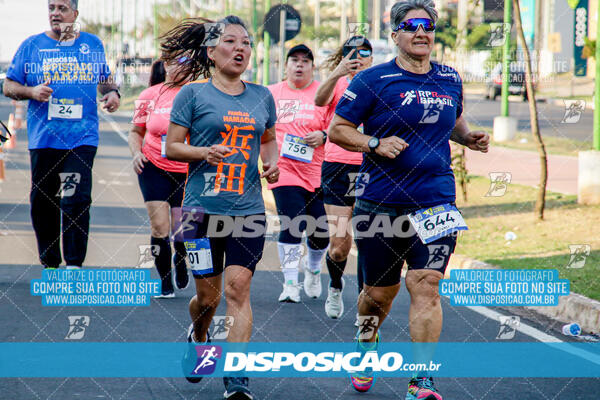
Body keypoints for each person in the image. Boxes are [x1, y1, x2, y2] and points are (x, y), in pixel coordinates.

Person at [329, 1, 490, 398]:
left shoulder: (450, 78)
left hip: (435, 200)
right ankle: (366, 345)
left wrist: (467, 137)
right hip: (381, 202)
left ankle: (422, 379)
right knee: (377, 296)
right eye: (411, 25)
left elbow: (451, 120)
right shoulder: (372, 81)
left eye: (428, 25)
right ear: (395, 34)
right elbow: (337, 129)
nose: (421, 32)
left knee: (427, 284)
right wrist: (374, 142)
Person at [163, 16, 279, 399]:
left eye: (245, 42)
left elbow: (268, 137)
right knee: (208, 298)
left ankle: (237, 377)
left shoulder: (262, 95)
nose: (240, 49)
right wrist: (203, 152)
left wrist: (271, 162)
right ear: (212, 52)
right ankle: (198, 337)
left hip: (247, 209)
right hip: (199, 211)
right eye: (230, 42)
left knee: (238, 289)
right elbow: (172, 147)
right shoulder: (192, 95)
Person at [3, 0, 120, 270]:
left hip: (82, 137)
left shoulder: (91, 44)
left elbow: (103, 79)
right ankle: (51, 261)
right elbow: (9, 85)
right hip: (44, 138)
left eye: (62, 8)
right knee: (44, 201)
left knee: (76, 196)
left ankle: (74, 264)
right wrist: (31, 92)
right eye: (51, 8)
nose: (55, 13)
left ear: (75, 14)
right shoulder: (32, 46)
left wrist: (112, 93)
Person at [314, 36, 373, 319]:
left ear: (372, 58)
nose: (358, 57)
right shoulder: (337, 84)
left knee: (367, 240)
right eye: (352, 53)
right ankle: (335, 286)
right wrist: (337, 72)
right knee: (339, 247)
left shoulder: (379, 83)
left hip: (370, 167)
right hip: (338, 166)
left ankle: (366, 305)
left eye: (364, 53)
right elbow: (318, 100)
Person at [267, 44, 330, 303]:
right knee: (293, 223)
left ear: (313, 67)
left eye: (306, 60)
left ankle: (313, 269)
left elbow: (339, 127)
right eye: (294, 60)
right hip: (285, 171)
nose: (300, 65)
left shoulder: (323, 94)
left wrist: (324, 135)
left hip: (318, 172)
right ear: (286, 66)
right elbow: (261, 130)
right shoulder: (271, 94)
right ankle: (290, 283)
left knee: (321, 231)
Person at [128, 55, 191, 298]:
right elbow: (136, 131)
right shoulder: (149, 95)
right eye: (175, 62)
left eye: (185, 64)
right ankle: (165, 284)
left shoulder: (195, 94)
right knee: (159, 226)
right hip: (153, 166)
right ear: (166, 65)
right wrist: (136, 153)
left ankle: (181, 258)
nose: (180, 68)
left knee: (183, 230)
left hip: (187, 169)